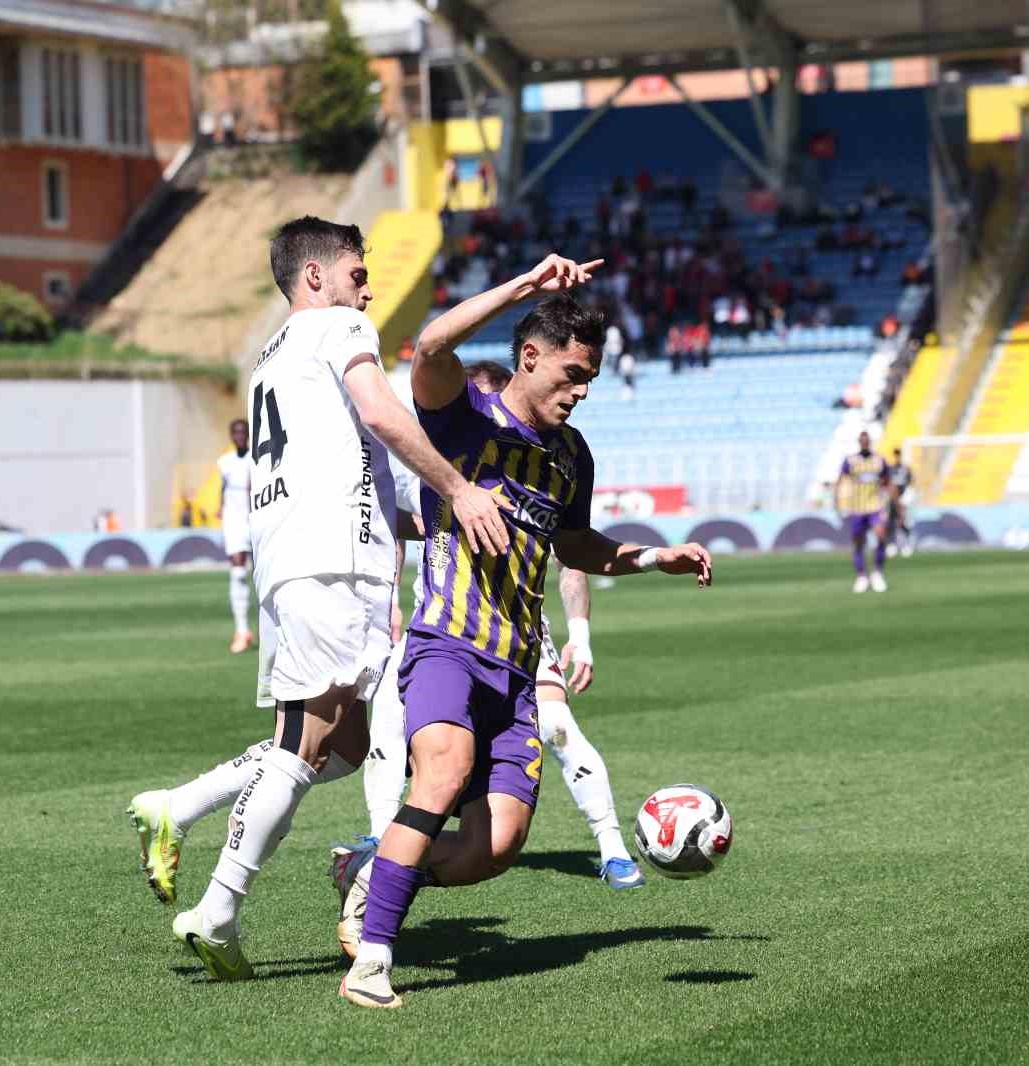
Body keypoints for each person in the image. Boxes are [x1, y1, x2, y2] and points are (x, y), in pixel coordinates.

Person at [125, 216, 509, 982]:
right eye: (357, 273)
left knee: (343, 741)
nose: (367, 287)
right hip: (329, 564)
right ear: (315, 278)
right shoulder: (340, 325)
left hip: (305, 561)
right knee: (315, 743)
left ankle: (190, 816)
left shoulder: (271, 356)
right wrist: (457, 487)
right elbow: (378, 412)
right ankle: (232, 906)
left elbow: (349, 458)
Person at [337, 266, 713, 1009]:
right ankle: (373, 959)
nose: (580, 391)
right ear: (531, 356)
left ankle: (368, 868)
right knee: (440, 775)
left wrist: (650, 557)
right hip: (446, 642)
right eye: (573, 374)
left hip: (517, 669)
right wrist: (521, 288)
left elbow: (577, 548)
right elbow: (432, 344)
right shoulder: (464, 415)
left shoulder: (572, 455)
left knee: (495, 848)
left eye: (591, 381)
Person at [352, 360, 645, 915]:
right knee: (393, 730)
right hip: (444, 631)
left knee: (556, 726)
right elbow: (396, 526)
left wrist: (580, 636)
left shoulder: (546, 458)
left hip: (522, 633)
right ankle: (379, 849)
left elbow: (571, 552)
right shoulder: (438, 466)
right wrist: (386, 599)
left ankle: (610, 845)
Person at [835, 430, 890, 593]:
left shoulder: (879, 461)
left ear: (870, 442)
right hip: (857, 508)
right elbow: (840, 481)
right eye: (862, 440)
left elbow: (887, 481)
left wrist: (890, 499)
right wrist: (837, 501)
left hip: (875, 506)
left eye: (867, 440)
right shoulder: (850, 461)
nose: (864, 443)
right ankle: (861, 576)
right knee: (858, 544)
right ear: (859, 442)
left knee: (881, 536)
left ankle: (878, 573)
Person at [218, 419, 255, 654]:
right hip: (233, 521)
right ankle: (241, 631)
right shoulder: (224, 462)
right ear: (231, 436)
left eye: (243, 432)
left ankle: (270, 631)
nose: (240, 436)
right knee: (238, 574)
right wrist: (221, 508)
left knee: (262, 576)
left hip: (256, 520)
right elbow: (222, 489)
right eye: (236, 432)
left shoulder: (257, 458)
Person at [887, 446, 916, 557]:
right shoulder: (890, 469)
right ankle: (892, 545)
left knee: (903, 521)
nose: (897, 457)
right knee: (891, 522)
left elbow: (911, 482)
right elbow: (888, 484)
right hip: (893, 499)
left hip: (903, 499)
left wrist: (906, 498)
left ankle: (906, 545)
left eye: (898, 454)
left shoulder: (906, 469)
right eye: (895, 454)